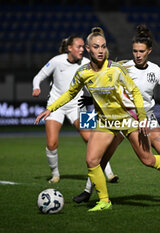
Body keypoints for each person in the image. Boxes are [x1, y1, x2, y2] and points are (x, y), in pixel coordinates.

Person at [35, 27, 160, 212]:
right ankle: (103, 200)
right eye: (96, 47)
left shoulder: (117, 69)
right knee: (92, 160)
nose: (100, 50)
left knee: (147, 159)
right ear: (88, 48)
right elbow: (70, 93)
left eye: (103, 46)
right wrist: (50, 108)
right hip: (104, 121)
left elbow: (134, 91)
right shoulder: (81, 71)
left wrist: (142, 117)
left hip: (127, 117)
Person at [32, 35, 118, 183]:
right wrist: (36, 87)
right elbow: (38, 77)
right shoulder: (56, 61)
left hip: (79, 105)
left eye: (82, 46)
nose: (81, 49)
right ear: (69, 48)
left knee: (92, 139)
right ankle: (55, 175)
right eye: (78, 46)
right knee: (52, 143)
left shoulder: (86, 63)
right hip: (56, 105)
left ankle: (109, 173)